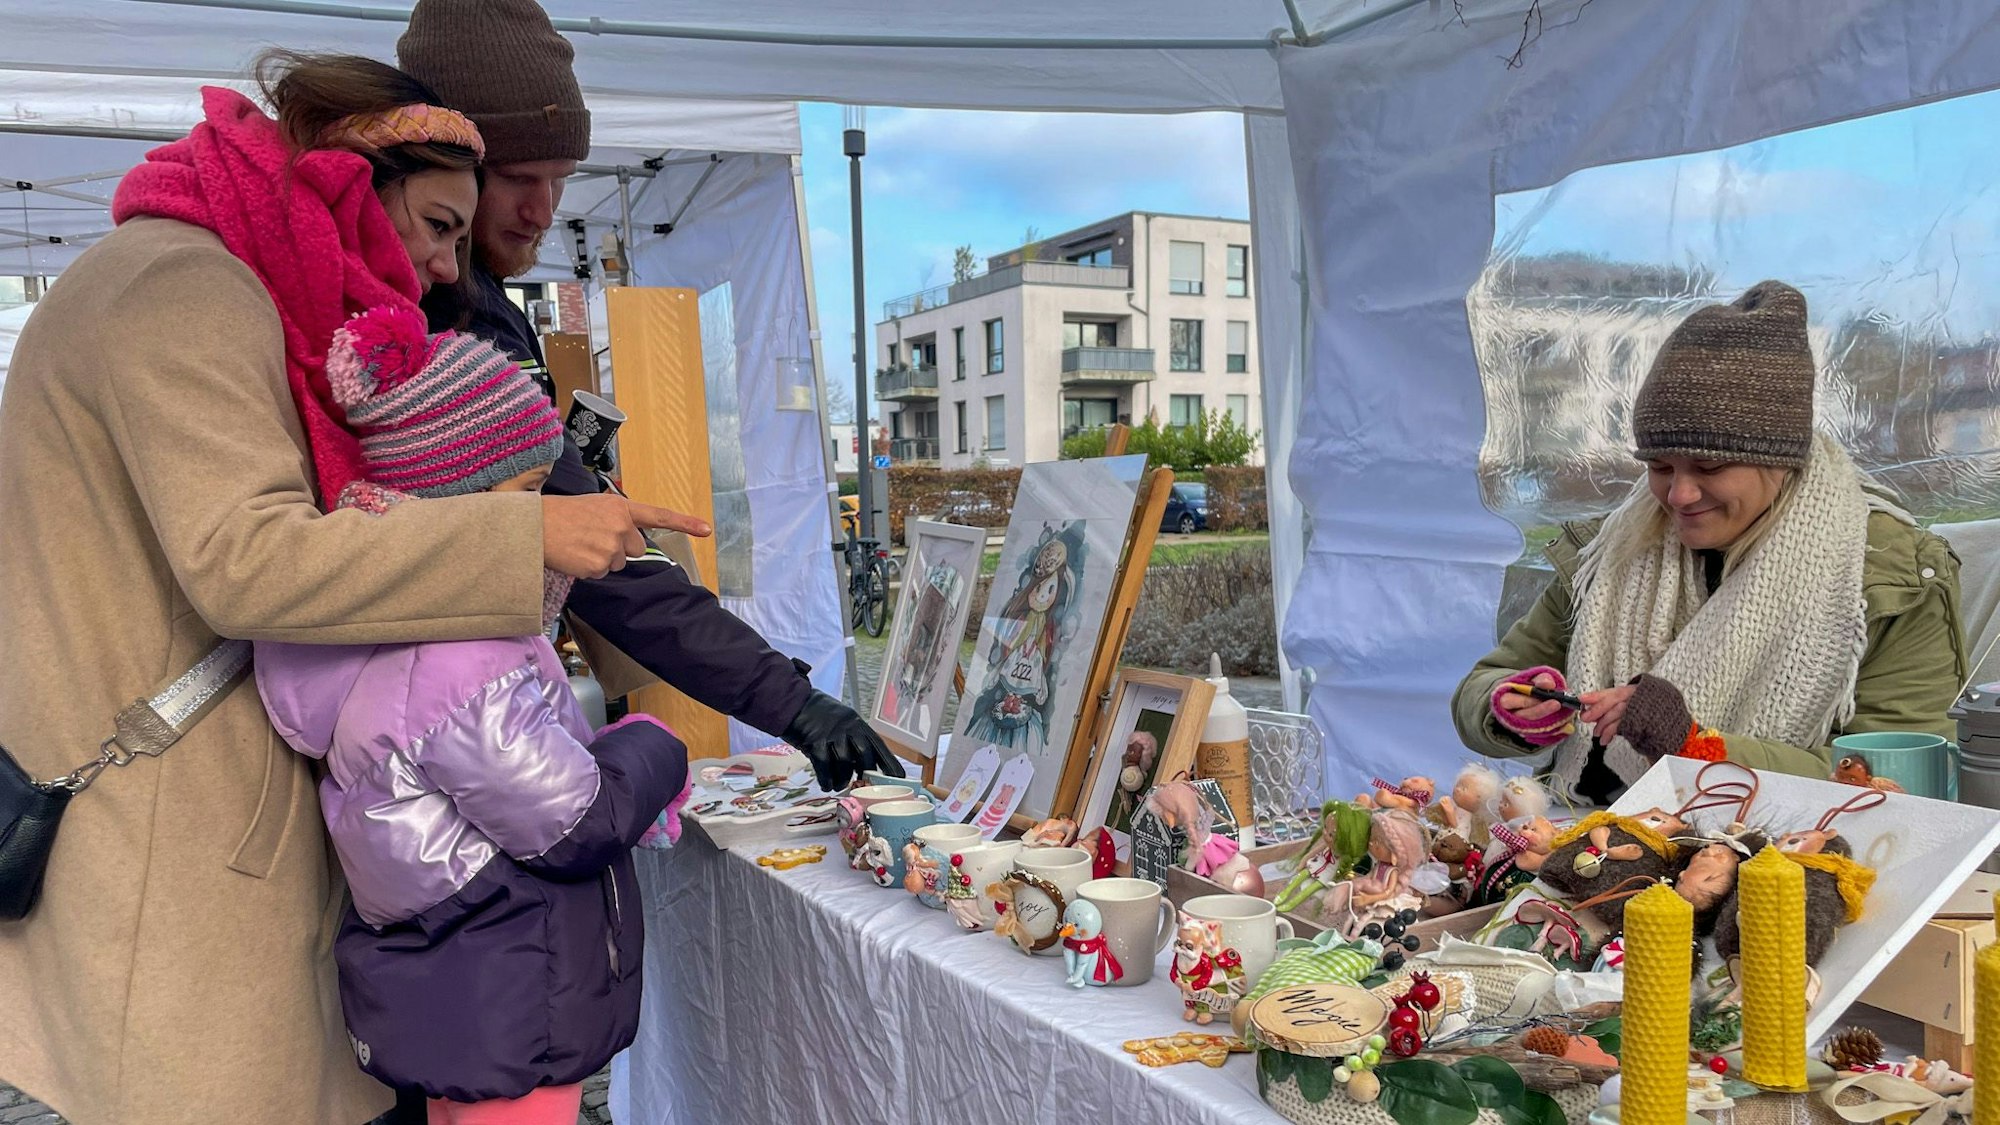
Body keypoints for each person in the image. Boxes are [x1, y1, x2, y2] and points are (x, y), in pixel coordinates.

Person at [0, 53, 696, 1125]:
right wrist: (525, 535)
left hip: (196, 836)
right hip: (172, 858)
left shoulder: (202, 282)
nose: (438, 271)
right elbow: (248, 559)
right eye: (434, 224)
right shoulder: (181, 289)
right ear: (340, 181)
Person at [396, 0, 901, 793]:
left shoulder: (483, 297)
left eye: (560, 181)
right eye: (518, 179)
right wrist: (794, 703)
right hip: (441, 741)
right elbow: (611, 576)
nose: (542, 212)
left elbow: (574, 529)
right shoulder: (437, 320)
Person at [258, 300, 691, 1125]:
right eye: (530, 492)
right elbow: (572, 822)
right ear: (459, 507)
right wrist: (650, 745)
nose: (548, 518)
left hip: (458, 993)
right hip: (515, 997)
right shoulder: (459, 659)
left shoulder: (387, 637)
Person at [1454, 281, 1966, 804]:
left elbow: (1895, 778)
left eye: (1711, 467)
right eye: (1658, 467)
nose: (1678, 494)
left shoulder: (1889, 576)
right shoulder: (1608, 551)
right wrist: (1507, 707)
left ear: (1781, 460)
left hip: (1789, 859)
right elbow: (1487, 681)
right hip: (1584, 833)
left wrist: (1695, 743)